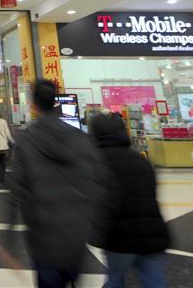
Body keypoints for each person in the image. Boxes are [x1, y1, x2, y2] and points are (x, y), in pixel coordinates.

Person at [12, 80, 104, 288]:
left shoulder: (26, 140)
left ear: (33, 106)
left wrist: (8, 242)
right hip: (76, 234)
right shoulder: (80, 137)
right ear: (55, 103)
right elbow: (97, 182)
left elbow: (15, 192)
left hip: (43, 236)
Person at [89, 113, 170, 288]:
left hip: (119, 237)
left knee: (115, 281)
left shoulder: (96, 161)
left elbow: (98, 200)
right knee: (155, 283)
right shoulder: (141, 159)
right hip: (153, 234)